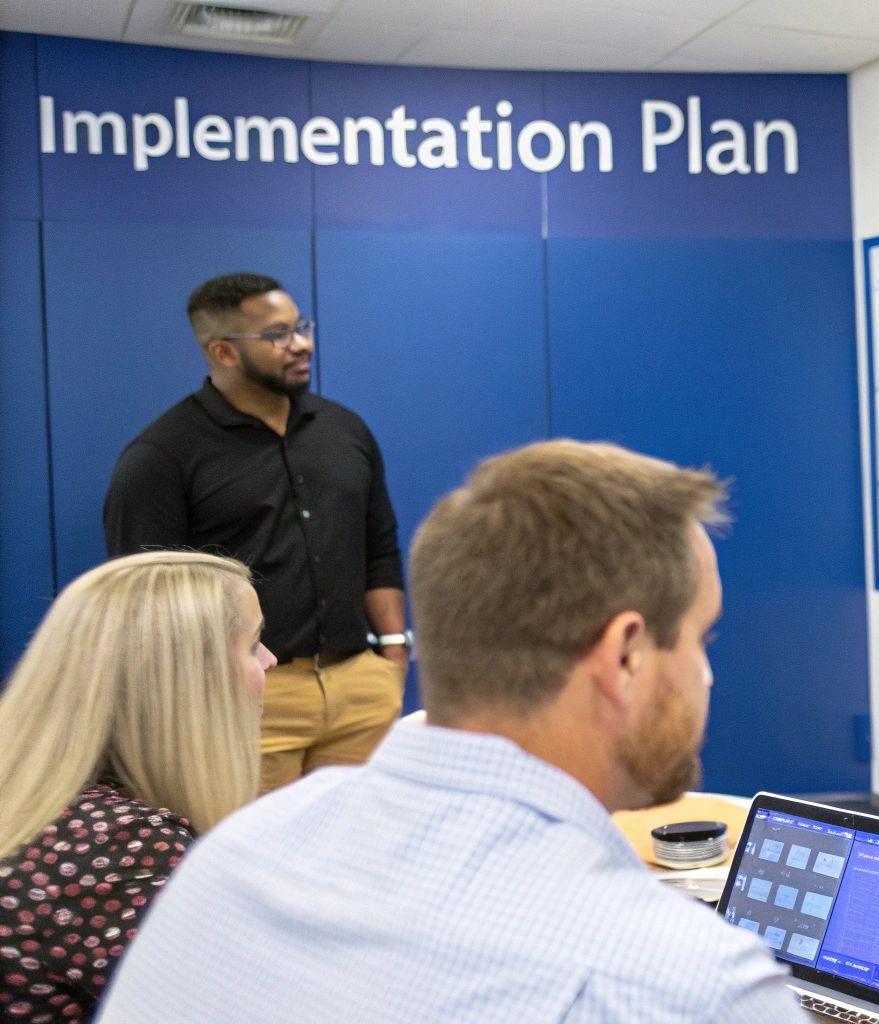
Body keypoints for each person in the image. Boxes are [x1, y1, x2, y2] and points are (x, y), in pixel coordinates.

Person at [97, 441, 805, 1022]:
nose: (706, 677)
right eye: (701, 640)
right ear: (625, 655)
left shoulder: (235, 855)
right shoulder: (693, 987)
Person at [103, 272, 409, 793]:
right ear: (223, 352)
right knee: (256, 864)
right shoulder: (162, 456)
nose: (302, 343)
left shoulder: (345, 430)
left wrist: (393, 659)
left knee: (359, 859)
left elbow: (378, 547)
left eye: (301, 327)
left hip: (361, 688)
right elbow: (151, 605)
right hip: (249, 701)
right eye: (277, 335)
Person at [0, 552, 271, 1021]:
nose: (270, 660)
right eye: (253, 644)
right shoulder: (121, 846)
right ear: (188, 682)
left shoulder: (55, 805)